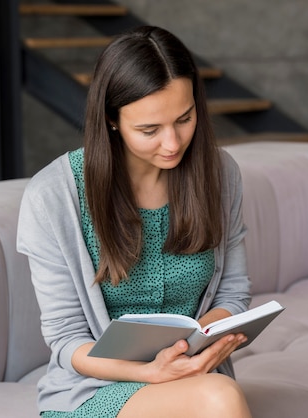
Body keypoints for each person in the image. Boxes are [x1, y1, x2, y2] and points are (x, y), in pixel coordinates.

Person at [16, 26, 252, 417]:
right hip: (93, 392)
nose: (173, 143)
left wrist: (192, 347)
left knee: (215, 394)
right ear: (112, 119)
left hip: (192, 379)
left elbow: (233, 293)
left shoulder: (219, 175)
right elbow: (66, 340)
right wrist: (153, 372)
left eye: (184, 118)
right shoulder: (54, 197)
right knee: (219, 398)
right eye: (149, 130)